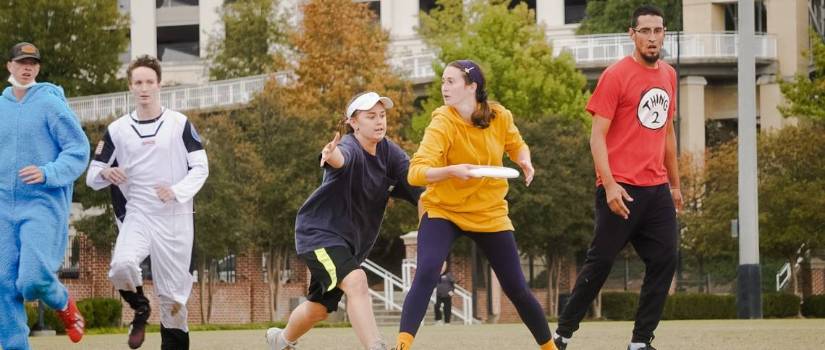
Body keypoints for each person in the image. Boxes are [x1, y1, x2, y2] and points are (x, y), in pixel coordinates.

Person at [395, 59, 556, 350]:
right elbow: (415, 172)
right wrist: (451, 171)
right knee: (428, 270)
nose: (444, 87)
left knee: (516, 287)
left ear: (472, 87)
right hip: (444, 209)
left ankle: (550, 348)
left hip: (488, 212)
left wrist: (524, 160)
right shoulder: (442, 121)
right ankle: (402, 345)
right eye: (443, 81)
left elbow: (516, 144)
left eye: (451, 81)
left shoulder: (500, 116)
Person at [551, 5, 681, 350]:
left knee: (666, 258)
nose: (652, 38)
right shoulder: (616, 75)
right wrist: (608, 184)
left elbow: (667, 131)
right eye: (645, 31)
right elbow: (597, 137)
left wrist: (676, 184)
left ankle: (640, 342)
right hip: (620, 188)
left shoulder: (669, 75)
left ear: (664, 33)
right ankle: (562, 334)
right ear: (632, 34)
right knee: (601, 262)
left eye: (658, 31)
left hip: (656, 189)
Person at [265, 92, 422, 350]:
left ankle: (280, 340)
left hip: (349, 246)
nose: (379, 121)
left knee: (319, 309)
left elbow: (418, 184)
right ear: (353, 122)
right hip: (319, 235)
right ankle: (376, 346)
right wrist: (331, 154)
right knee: (357, 281)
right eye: (370, 116)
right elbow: (340, 159)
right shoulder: (349, 147)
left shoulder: (390, 153)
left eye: (382, 115)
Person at [86, 55, 209, 349]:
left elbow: (201, 167)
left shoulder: (178, 124)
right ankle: (140, 307)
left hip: (175, 217)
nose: (144, 88)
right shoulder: (117, 130)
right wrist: (106, 171)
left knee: (174, 300)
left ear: (159, 84)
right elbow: (92, 176)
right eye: (138, 82)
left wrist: (177, 191)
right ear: (130, 86)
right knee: (121, 266)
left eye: (149, 82)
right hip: (138, 214)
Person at [0, 42, 89, 349]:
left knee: (32, 279)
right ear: (9, 66)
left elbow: (78, 150)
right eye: (22, 62)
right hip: (2, 208)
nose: (28, 67)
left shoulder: (50, 104)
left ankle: (62, 301)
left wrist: (48, 172)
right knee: (2, 285)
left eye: (33, 63)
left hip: (40, 203)